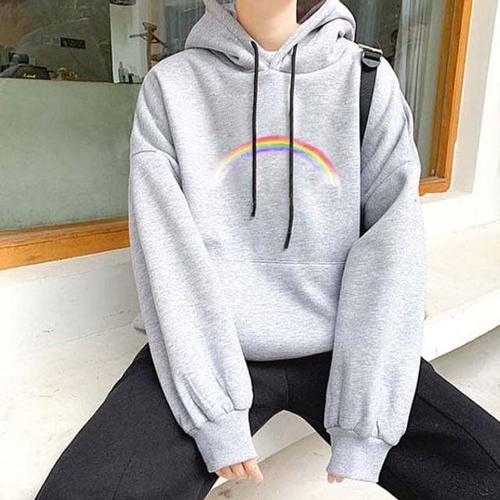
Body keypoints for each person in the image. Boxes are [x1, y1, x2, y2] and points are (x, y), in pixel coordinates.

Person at [36, 0, 500, 498]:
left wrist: (365, 425)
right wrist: (215, 417)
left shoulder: (366, 79)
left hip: (340, 343)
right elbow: (166, 252)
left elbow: (392, 250)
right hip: (213, 343)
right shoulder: (172, 86)